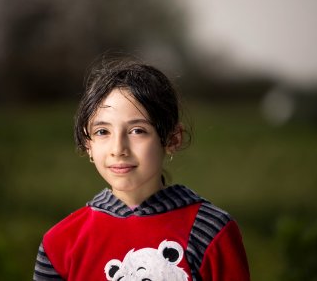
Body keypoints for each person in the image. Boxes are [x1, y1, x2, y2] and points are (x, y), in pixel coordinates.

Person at [33, 56, 250, 281]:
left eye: (137, 130)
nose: (118, 149)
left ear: (172, 138)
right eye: (102, 132)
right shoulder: (60, 243)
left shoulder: (211, 232)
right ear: (88, 144)